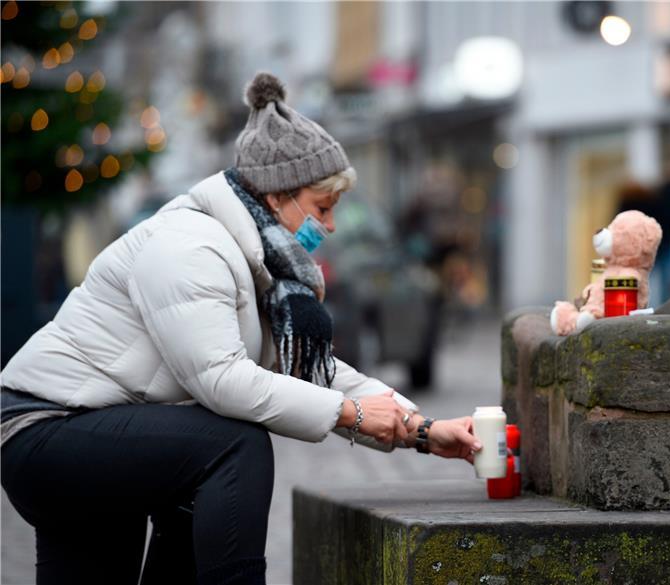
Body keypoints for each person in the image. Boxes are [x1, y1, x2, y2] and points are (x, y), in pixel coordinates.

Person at [0, 73, 481, 585]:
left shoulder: (256, 265)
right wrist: (352, 413)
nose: (332, 226)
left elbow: (310, 371)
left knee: (203, 461)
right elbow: (223, 381)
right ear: (278, 197)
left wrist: (423, 430)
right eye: (323, 208)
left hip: (92, 428)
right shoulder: (192, 246)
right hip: (48, 431)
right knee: (233, 444)